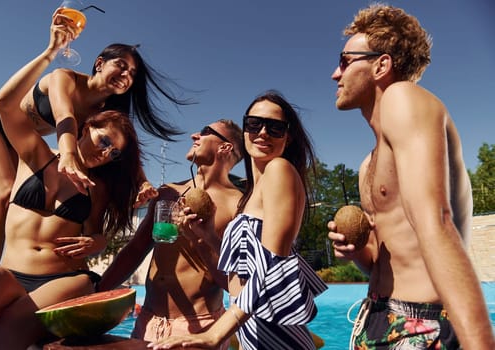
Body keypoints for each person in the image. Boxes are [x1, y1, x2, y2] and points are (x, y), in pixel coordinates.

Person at [0, 13, 142, 350]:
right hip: (11, 274)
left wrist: (97, 243)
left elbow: (97, 236)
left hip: (62, 279)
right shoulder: (35, 155)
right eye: (105, 142)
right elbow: (4, 104)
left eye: (115, 154)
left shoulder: (97, 188)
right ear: (88, 127)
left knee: (5, 335)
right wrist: (49, 52)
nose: (107, 154)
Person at [0, 9, 188, 264]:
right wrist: (67, 155)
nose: (126, 76)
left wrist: (142, 182)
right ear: (100, 63)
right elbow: (64, 115)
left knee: (22, 199)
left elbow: (124, 148)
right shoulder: (65, 78)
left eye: (132, 74)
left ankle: (17, 269)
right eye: (121, 66)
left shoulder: (104, 113)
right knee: (3, 192)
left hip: (20, 140)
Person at [328, 4, 495, 350]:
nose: (335, 74)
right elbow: (381, 260)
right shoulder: (367, 165)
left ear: (381, 65)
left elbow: (436, 221)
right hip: (377, 317)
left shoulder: (402, 98)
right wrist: (357, 250)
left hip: (423, 324)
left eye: (345, 61)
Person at [150, 91, 328, 349]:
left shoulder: (280, 170)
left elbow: (271, 267)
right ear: (245, 129)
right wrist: (207, 236)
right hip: (252, 328)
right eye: (254, 124)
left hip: (273, 332)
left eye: (275, 127)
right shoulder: (254, 191)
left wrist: (213, 334)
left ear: (287, 138)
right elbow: (246, 269)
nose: (263, 132)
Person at [98, 118, 244, 349]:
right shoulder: (167, 193)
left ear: (225, 147)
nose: (194, 135)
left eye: (205, 132)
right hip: (147, 321)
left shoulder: (238, 205)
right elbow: (135, 249)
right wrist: (98, 291)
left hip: (199, 327)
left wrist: (200, 238)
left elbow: (235, 283)